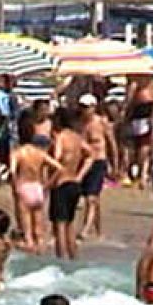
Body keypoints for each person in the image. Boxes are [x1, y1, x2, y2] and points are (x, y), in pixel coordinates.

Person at [10, 119, 63, 252]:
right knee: (39, 232)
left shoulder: (18, 153)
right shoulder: (39, 153)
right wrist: (48, 185)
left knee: (28, 234)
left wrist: (15, 186)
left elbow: (12, 171)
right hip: (38, 188)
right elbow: (59, 168)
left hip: (24, 187)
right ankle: (40, 258)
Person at [48, 107, 89, 260]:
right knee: (70, 225)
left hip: (61, 183)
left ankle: (61, 260)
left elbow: (58, 158)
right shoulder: (77, 138)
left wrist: (48, 182)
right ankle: (73, 259)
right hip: (74, 183)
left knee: (59, 225)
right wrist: (80, 174)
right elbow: (90, 154)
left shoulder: (61, 137)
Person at [76, 94, 117, 240]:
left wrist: (115, 166)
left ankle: (85, 230)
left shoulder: (101, 123)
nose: (84, 110)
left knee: (91, 198)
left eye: (87, 107)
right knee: (94, 198)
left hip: (99, 161)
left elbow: (112, 143)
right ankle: (99, 230)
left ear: (94, 107)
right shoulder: (79, 123)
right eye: (82, 107)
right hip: (84, 163)